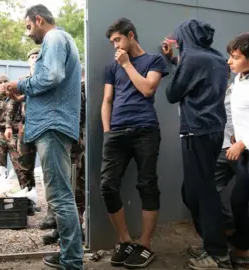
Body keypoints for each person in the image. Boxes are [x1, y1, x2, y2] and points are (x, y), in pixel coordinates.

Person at [5, 4, 83, 269]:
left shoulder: (54, 37)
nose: (28, 34)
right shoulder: (62, 40)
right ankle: (69, 253)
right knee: (60, 194)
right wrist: (26, 93)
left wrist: (21, 84)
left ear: (39, 20)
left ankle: (72, 260)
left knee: (60, 196)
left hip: (52, 125)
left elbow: (51, 75)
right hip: (53, 124)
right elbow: (53, 84)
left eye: (28, 27)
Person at [100, 18, 168, 268]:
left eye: (117, 39)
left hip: (145, 130)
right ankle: (126, 240)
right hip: (116, 132)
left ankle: (146, 244)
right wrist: (107, 132)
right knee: (107, 185)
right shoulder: (111, 67)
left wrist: (127, 64)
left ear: (130, 35)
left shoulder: (153, 60)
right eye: (112, 42)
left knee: (147, 184)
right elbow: (107, 100)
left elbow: (148, 89)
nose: (114, 45)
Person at [165, 19, 231, 269]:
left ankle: (217, 254)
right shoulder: (215, 58)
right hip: (212, 131)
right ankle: (211, 242)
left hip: (197, 132)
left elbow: (172, 94)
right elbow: (197, 79)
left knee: (202, 193)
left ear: (185, 36)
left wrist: (175, 64)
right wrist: (175, 60)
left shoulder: (191, 58)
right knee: (193, 192)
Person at [43, 64, 87, 245]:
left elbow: (80, 116)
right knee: (60, 187)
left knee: (74, 187)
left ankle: (75, 231)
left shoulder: (79, 89)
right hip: (60, 143)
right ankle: (61, 229)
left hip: (73, 145)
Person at [226, 32, 249, 268]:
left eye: (235, 57)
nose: (229, 61)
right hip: (248, 154)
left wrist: (243, 141)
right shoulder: (241, 77)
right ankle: (243, 250)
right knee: (239, 202)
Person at [5, 48, 40, 216]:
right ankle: (27, 201)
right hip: (27, 127)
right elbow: (13, 105)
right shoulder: (23, 81)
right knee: (24, 166)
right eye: (32, 57)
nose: (34, 59)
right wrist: (8, 126)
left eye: (37, 56)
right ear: (28, 61)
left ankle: (51, 209)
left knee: (49, 168)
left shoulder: (46, 79)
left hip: (45, 126)